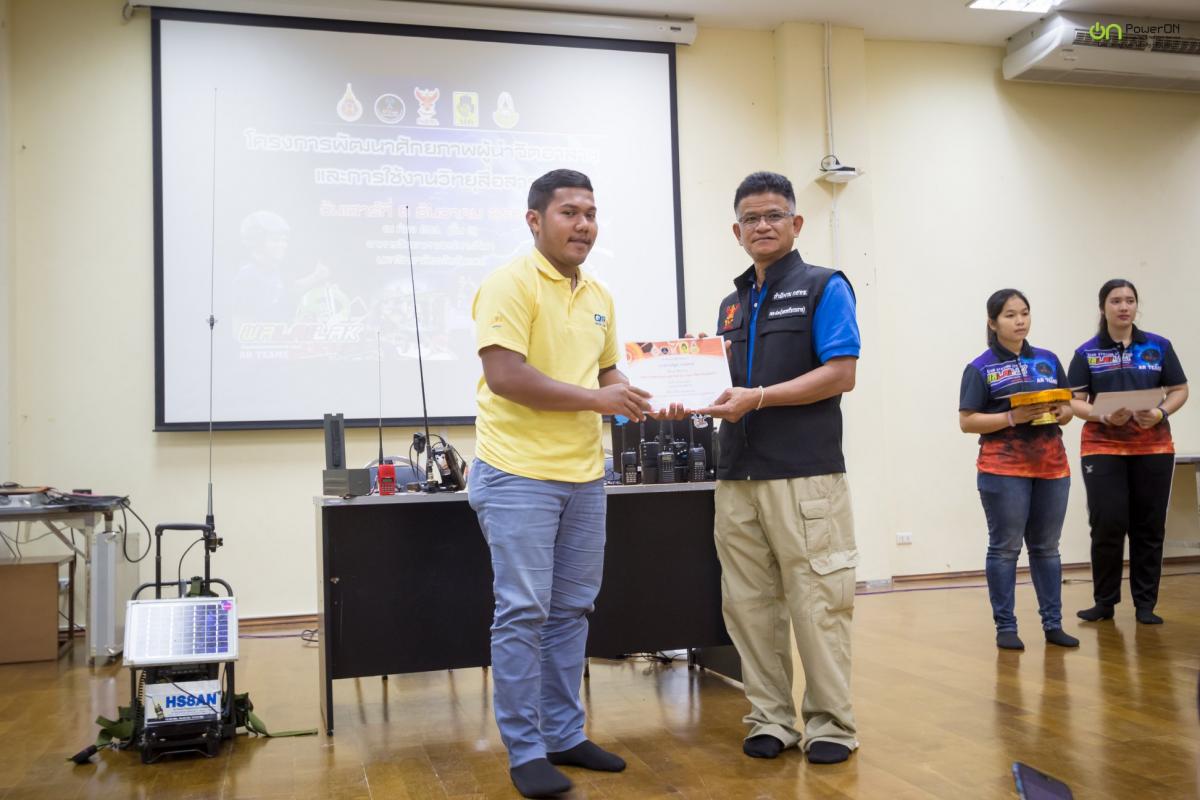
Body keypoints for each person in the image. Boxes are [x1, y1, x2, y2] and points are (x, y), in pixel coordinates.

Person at [468, 169, 654, 799]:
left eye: (591, 214)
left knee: (572, 610)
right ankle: (525, 751)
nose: (584, 225)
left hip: (584, 474)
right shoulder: (509, 283)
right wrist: (602, 399)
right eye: (569, 212)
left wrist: (652, 395)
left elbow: (607, 376)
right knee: (524, 612)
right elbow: (506, 377)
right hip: (517, 473)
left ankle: (564, 734)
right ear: (535, 220)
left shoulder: (599, 293)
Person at [699, 171, 860, 765]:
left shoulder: (825, 287)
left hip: (804, 477)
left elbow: (841, 373)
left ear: (796, 223)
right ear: (736, 231)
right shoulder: (731, 304)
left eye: (773, 215)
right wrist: (690, 381)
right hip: (737, 477)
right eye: (750, 218)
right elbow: (726, 386)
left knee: (818, 603)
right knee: (749, 606)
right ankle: (770, 718)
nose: (761, 226)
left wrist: (759, 397)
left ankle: (831, 725)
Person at [958, 289, 1080, 651]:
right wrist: (1012, 417)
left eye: (1024, 313)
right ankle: (1006, 627)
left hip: (1052, 466)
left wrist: (1062, 412)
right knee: (1005, 548)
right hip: (1003, 469)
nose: (1020, 321)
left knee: (1047, 548)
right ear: (993, 322)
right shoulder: (980, 368)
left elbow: (1069, 408)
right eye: (1010, 315)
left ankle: (1053, 624)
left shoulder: (1048, 360)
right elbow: (967, 421)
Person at [1068, 279, 1188, 625]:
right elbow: (1074, 401)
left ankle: (1145, 604)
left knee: (1148, 525)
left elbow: (1179, 389)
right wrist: (1103, 415)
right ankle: (1104, 602)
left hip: (1153, 446)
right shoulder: (1087, 352)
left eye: (1130, 300)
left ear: (1136, 306)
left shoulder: (1159, 346)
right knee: (1107, 522)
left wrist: (1161, 413)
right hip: (1102, 446)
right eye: (1116, 301)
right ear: (1102, 307)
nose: (1124, 307)